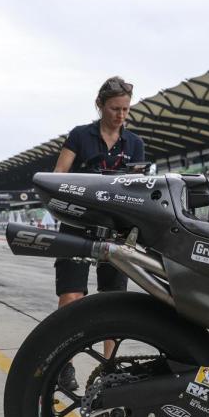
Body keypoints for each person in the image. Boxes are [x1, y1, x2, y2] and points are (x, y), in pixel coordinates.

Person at [51, 76, 143, 390]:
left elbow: (140, 189)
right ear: (100, 105)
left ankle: (111, 367)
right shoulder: (79, 136)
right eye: (115, 108)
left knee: (114, 300)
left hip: (115, 230)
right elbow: (57, 177)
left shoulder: (135, 144)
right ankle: (63, 363)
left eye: (126, 109)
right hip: (77, 225)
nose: (121, 115)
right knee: (71, 296)